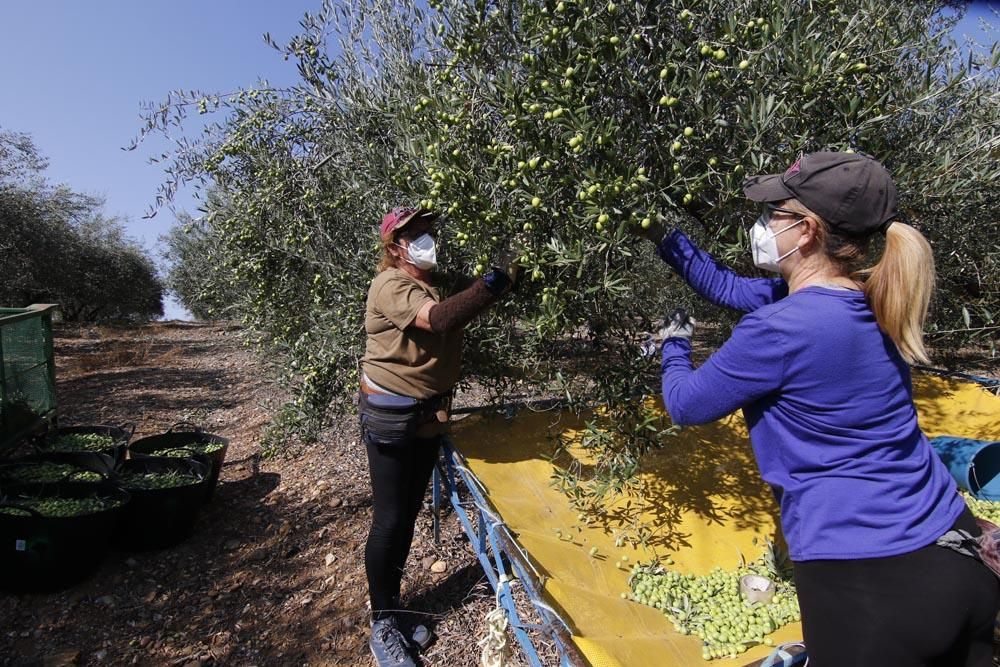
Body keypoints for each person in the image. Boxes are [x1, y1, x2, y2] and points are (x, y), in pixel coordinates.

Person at [636, 152, 999, 666]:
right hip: (960, 553)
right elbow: (720, 284)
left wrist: (674, 344)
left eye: (772, 214)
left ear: (805, 230)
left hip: (875, 587)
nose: (761, 225)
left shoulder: (778, 328)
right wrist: (661, 235)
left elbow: (685, 405)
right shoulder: (876, 299)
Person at [359, 206, 516, 667]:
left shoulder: (421, 283)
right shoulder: (389, 285)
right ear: (394, 247)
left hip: (427, 415)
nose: (426, 238)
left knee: (405, 515)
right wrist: (495, 282)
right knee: (390, 519)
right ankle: (383, 623)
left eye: (427, 230)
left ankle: (396, 609)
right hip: (392, 415)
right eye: (415, 234)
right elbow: (442, 320)